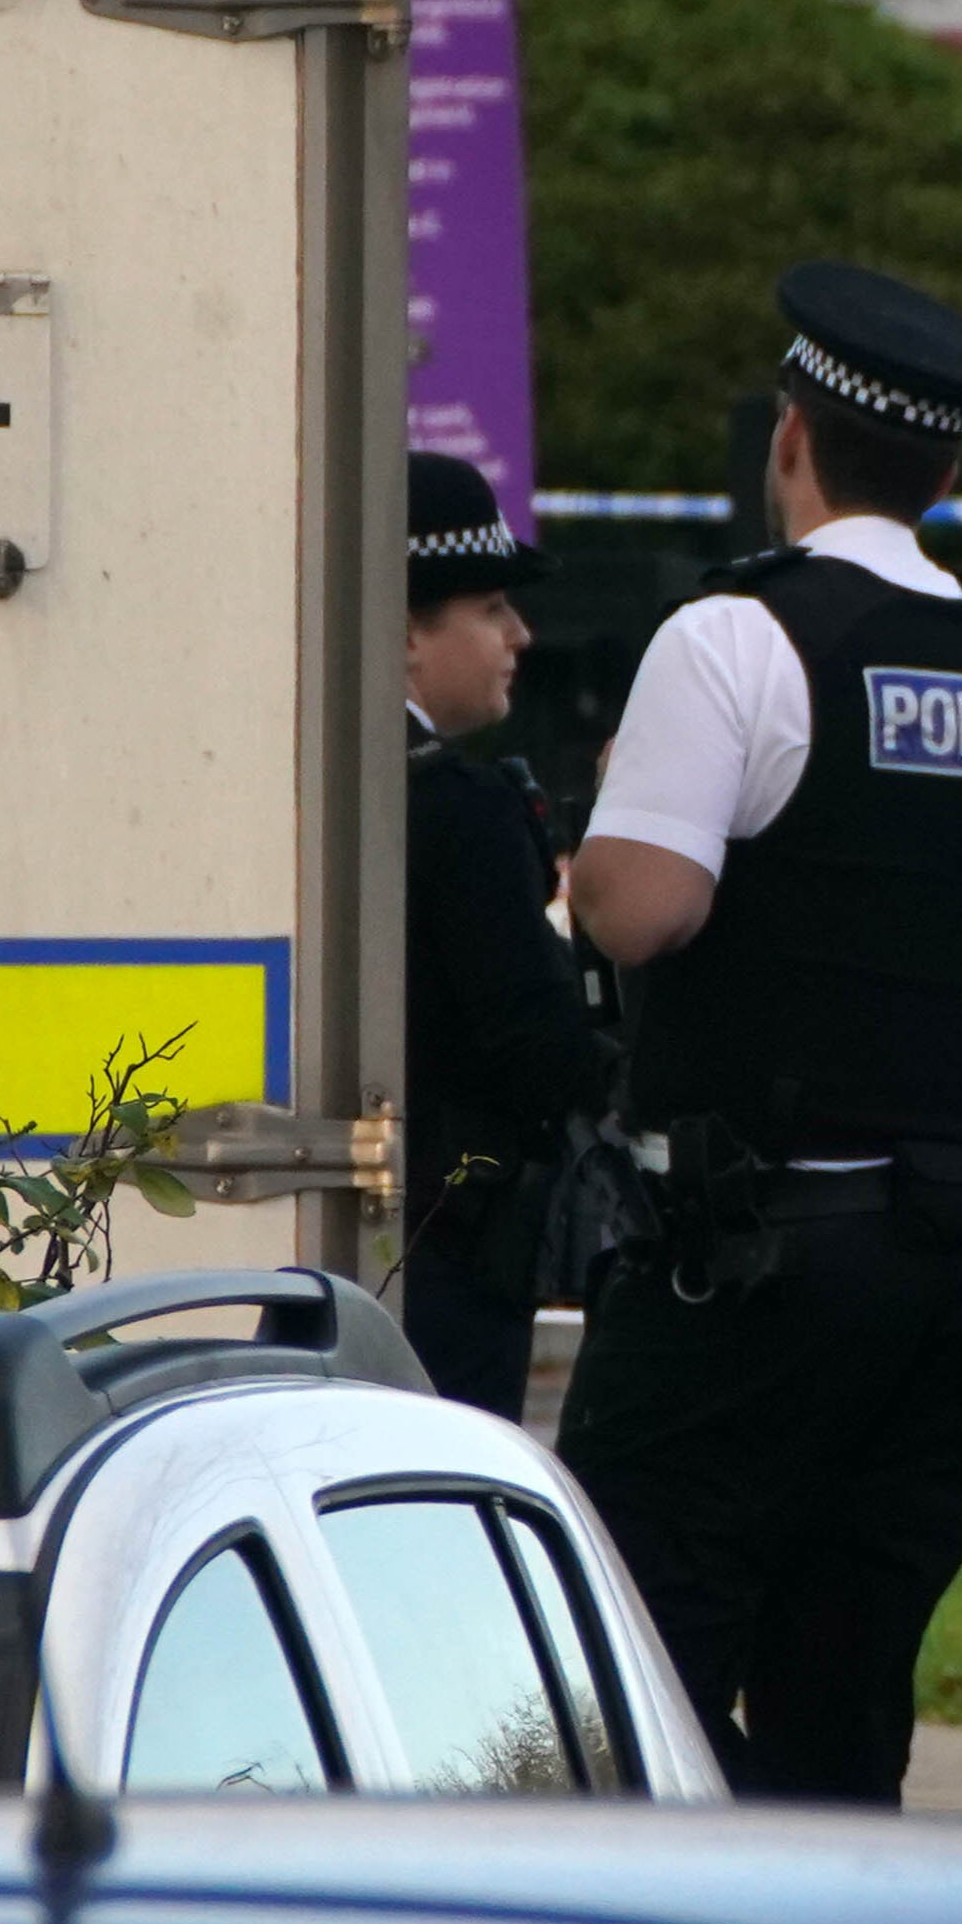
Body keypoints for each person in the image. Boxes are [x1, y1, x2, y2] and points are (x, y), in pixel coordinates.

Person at [557, 260, 962, 1804]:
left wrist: (606, 828)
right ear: (946, 470)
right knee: (845, 1686)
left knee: (622, 1678)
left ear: (790, 437)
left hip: (755, 1272)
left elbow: (644, 913)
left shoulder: (732, 641)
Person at [397, 450, 612, 1420]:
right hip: (456, 1256)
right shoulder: (463, 811)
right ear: (406, 631)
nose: (520, 634)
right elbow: (542, 1054)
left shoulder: (298, 776)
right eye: (490, 607)